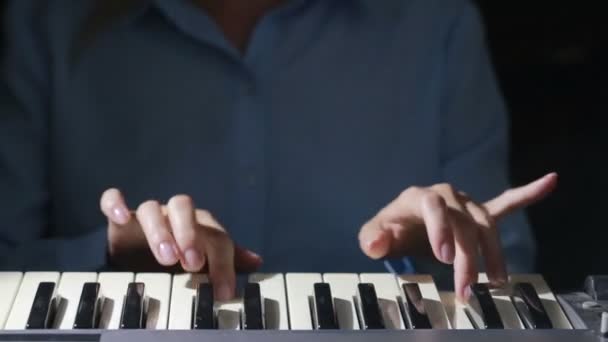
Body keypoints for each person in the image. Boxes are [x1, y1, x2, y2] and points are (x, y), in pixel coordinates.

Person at [0, 0, 556, 302]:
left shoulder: (436, 23)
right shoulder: (43, 23)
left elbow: (502, 283)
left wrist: (431, 258)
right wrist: (106, 256)